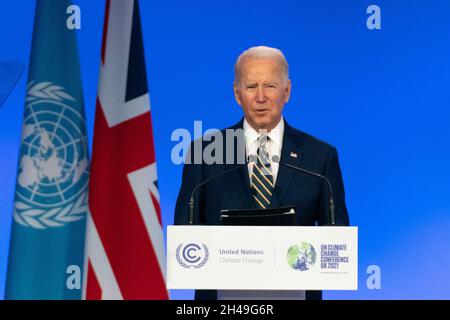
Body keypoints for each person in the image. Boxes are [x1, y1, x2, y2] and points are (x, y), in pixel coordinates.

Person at [174, 46, 349, 300]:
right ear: (237, 94)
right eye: (251, 86)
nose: (260, 97)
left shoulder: (320, 157)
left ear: (287, 91)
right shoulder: (205, 151)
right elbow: (185, 231)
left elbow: (337, 237)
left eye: (270, 86)